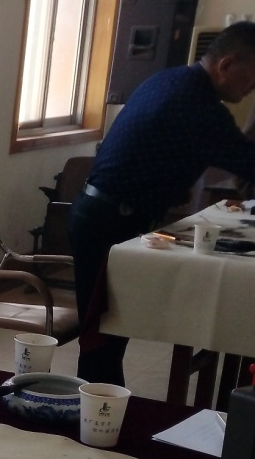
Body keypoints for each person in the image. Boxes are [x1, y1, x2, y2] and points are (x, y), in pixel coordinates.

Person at [70, 20, 255, 384]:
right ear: (227, 65)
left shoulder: (171, 80)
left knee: (111, 333)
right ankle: (90, 409)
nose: (252, 90)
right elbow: (248, 162)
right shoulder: (199, 105)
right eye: (253, 79)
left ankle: (99, 406)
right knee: (101, 338)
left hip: (104, 213)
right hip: (107, 221)